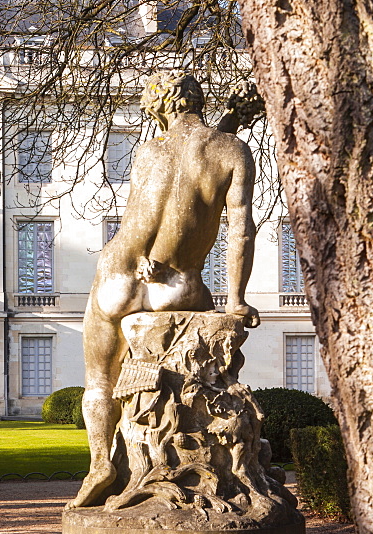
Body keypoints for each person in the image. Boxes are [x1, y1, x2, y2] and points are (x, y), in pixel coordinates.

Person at [68, 72, 261, 509]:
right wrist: (235, 298)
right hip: (178, 283)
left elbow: (158, 203)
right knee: (208, 344)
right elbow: (239, 230)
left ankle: (101, 462)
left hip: (121, 272)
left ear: (158, 106)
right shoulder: (232, 151)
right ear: (199, 100)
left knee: (98, 378)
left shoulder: (149, 152)